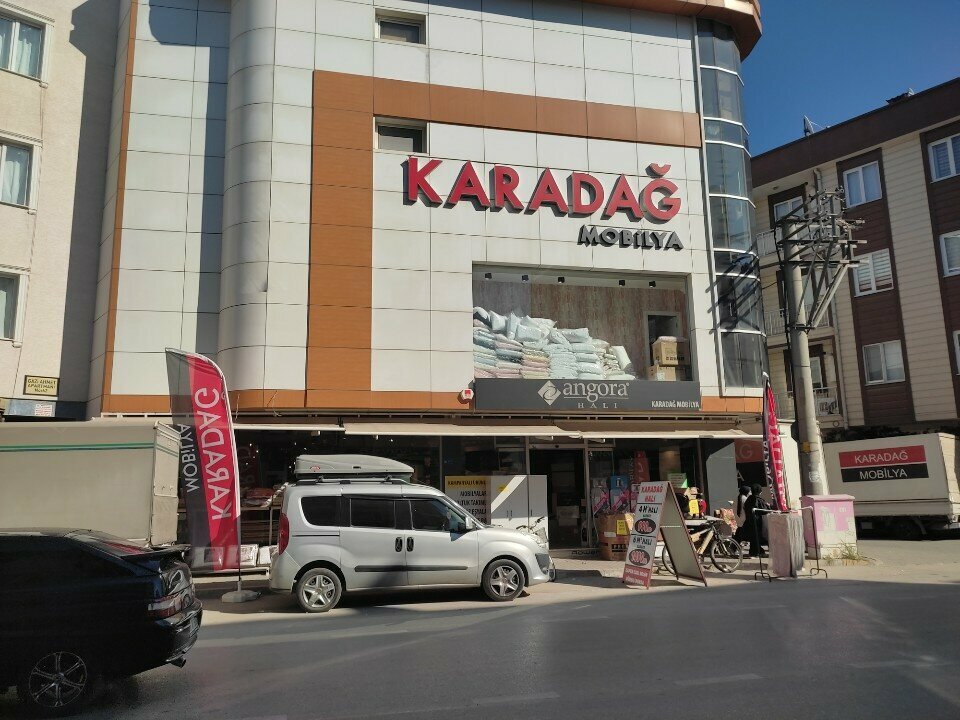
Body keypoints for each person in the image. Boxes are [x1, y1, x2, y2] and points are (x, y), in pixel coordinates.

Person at [743, 483, 769, 557]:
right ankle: (756, 552)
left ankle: (755, 551)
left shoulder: (749, 499)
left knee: (753, 537)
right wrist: (768, 506)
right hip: (756, 521)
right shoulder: (757, 499)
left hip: (749, 520)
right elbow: (764, 511)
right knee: (756, 537)